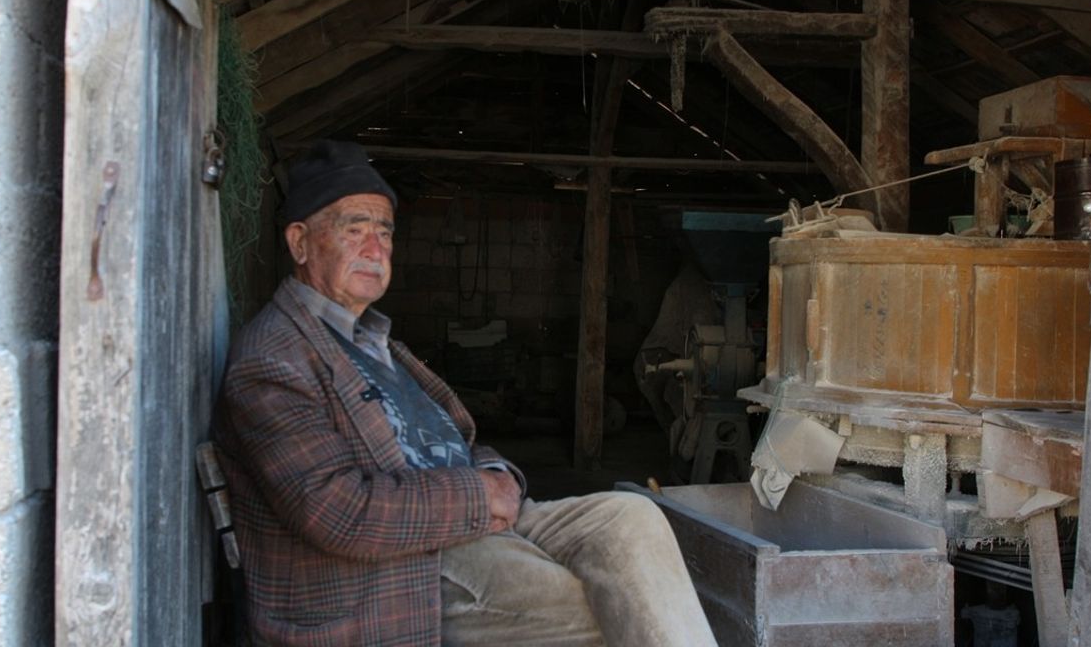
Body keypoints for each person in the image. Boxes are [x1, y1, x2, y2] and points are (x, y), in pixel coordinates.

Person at [213, 141, 717, 647]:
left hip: (467, 524)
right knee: (614, 604)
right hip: (393, 575)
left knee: (630, 519)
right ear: (299, 243)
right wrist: (479, 496)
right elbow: (337, 512)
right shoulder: (274, 358)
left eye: (384, 231)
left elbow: (453, 437)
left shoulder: (370, 340)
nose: (375, 248)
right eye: (354, 229)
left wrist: (497, 474)